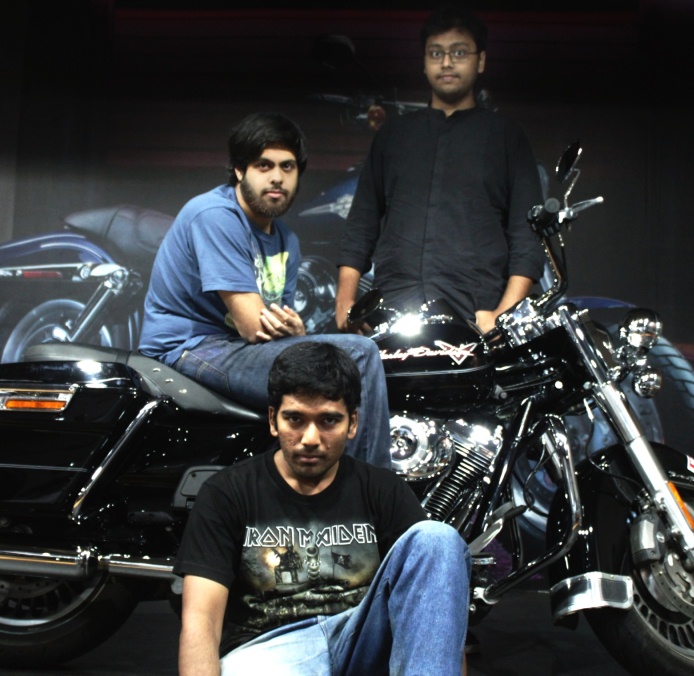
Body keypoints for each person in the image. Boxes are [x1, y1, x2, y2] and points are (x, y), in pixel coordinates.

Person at [175, 342, 471, 675]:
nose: (311, 438)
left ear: (352, 423)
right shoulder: (227, 492)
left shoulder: (385, 490)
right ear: (273, 420)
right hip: (272, 650)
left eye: (329, 420)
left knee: (438, 539)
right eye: (295, 419)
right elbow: (201, 621)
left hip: (360, 639)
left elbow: (437, 616)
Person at [137, 112, 390, 468]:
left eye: (287, 167)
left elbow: (281, 327)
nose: (277, 177)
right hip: (189, 346)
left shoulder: (286, 240)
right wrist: (292, 334)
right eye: (263, 165)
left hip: (235, 349)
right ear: (239, 170)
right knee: (358, 354)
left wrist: (295, 334)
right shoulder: (214, 215)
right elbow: (254, 326)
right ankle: (373, 490)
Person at [336, 6, 544, 335]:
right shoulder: (393, 136)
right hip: (393, 306)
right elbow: (361, 224)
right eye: (436, 53)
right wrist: (345, 300)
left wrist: (503, 316)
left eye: (459, 52)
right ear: (424, 62)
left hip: (476, 311)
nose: (446, 62)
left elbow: (527, 236)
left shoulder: (506, 137)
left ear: (481, 61)